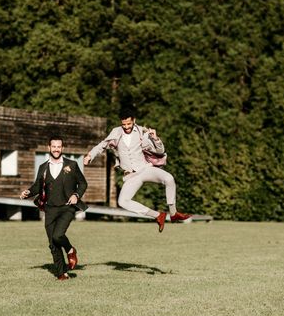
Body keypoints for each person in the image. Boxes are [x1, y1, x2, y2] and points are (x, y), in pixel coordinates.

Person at [83, 107, 190, 232]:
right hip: (131, 175)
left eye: (129, 123)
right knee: (122, 201)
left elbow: (160, 151)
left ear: (134, 120)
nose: (127, 127)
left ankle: (173, 213)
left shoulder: (141, 132)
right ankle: (158, 215)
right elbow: (102, 145)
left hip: (145, 169)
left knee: (169, 178)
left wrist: (156, 139)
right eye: (124, 124)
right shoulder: (116, 132)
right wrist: (90, 155)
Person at [21, 136, 88, 281]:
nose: (56, 149)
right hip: (50, 209)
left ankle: (70, 250)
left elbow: (82, 184)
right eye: (54, 146)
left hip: (67, 207)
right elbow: (37, 187)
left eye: (59, 146)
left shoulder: (72, 165)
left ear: (62, 148)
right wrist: (28, 192)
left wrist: (76, 195)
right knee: (53, 243)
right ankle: (61, 273)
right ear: (49, 148)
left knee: (58, 236)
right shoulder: (43, 167)